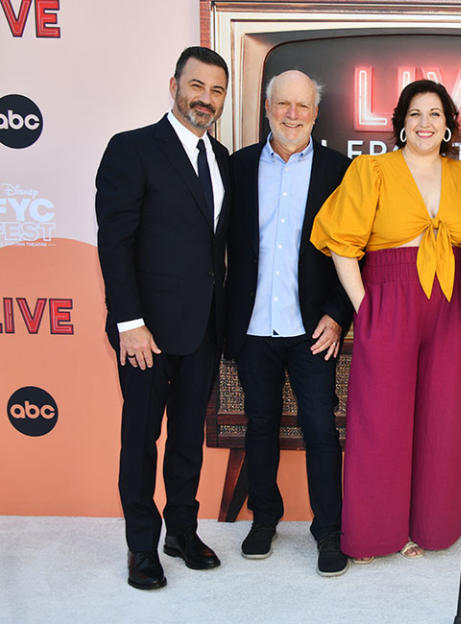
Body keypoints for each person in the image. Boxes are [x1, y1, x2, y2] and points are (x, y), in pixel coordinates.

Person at [310, 79, 461, 561]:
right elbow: (341, 243)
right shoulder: (372, 169)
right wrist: (365, 307)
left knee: (443, 417)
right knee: (380, 420)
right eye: (415, 114)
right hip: (388, 297)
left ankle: (431, 529)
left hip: (450, 302)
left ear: (449, 125)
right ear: (401, 123)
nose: (425, 123)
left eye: (435, 114)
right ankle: (376, 534)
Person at [95, 46, 231, 590]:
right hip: (145, 332)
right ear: (174, 84)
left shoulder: (221, 159)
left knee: (186, 441)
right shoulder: (132, 149)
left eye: (217, 90)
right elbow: (115, 241)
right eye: (196, 86)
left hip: (202, 328)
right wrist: (129, 321)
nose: (205, 99)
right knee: (141, 438)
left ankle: (181, 531)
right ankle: (140, 548)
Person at [224, 70, 353, 575]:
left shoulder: (339, 171)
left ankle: (329, 533)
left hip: (312, 329)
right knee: (259, 427)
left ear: (316, 114)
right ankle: (264, 519)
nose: (292, 114)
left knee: (321, 429)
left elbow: (355, 250)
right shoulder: (235, 168)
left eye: (302, 106)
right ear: (267, 106)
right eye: (283, 105)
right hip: (252, 325)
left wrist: (339, 315)